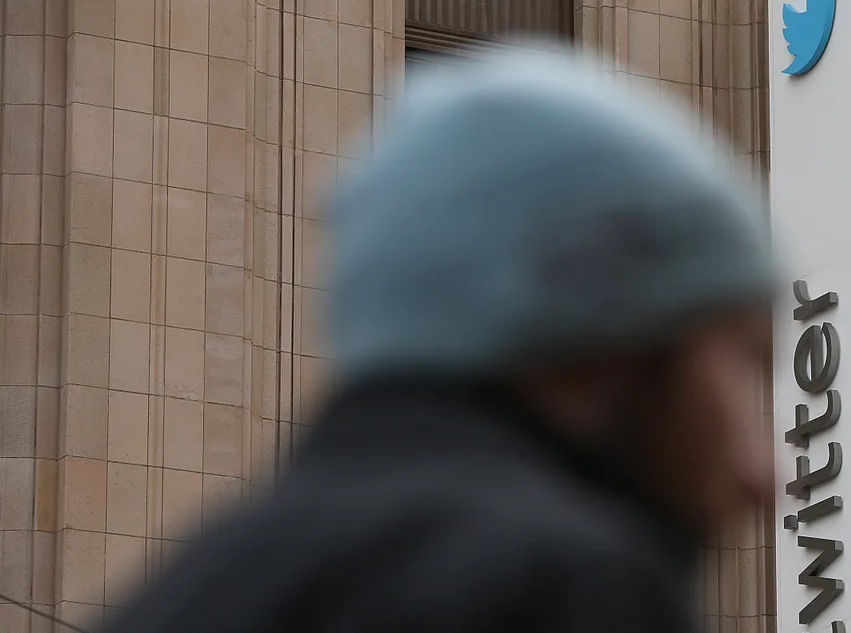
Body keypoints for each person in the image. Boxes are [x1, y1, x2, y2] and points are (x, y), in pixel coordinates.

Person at [99, 47, 777, 633]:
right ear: (603, 350)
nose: (763, 473)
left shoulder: (196, 578)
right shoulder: (557, 580)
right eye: (746, 362)